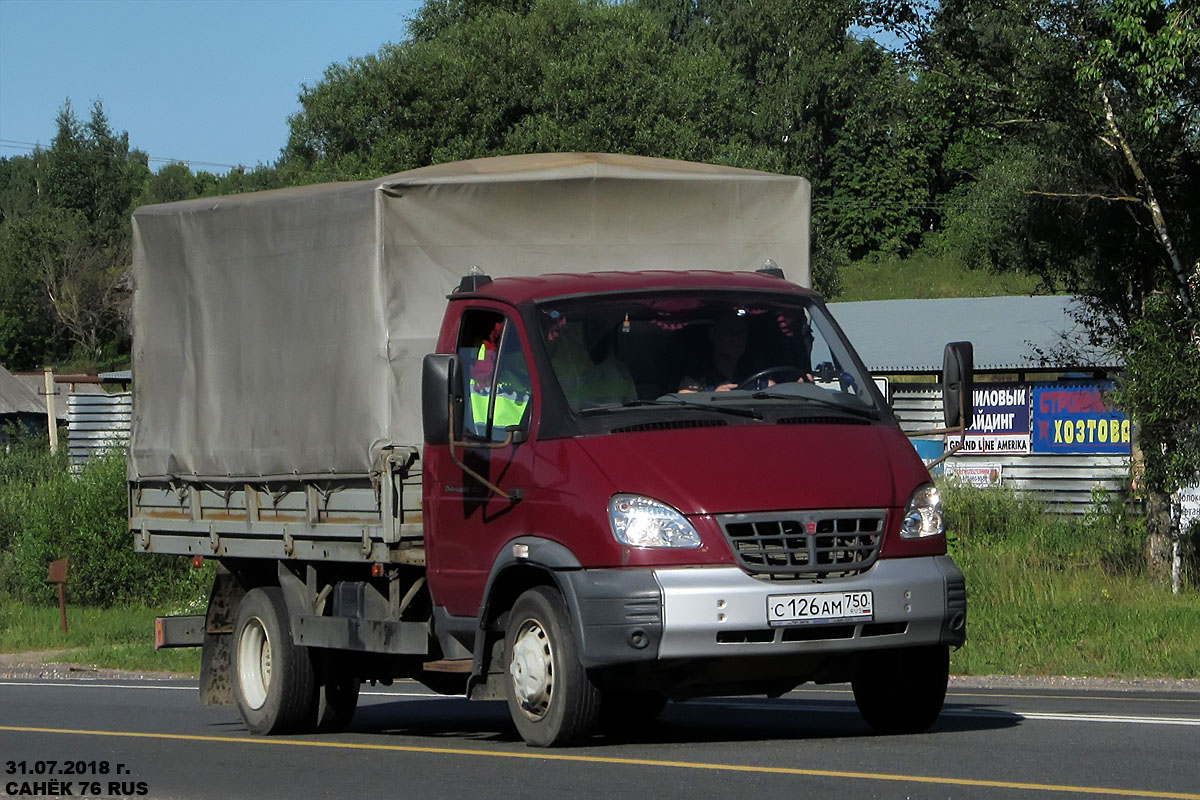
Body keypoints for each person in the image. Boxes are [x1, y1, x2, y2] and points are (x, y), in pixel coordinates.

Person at [546, 310, 637, 410]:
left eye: (602, 329)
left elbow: (635, 412)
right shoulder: (552, 367)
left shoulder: (621, 373)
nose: (598, 334)